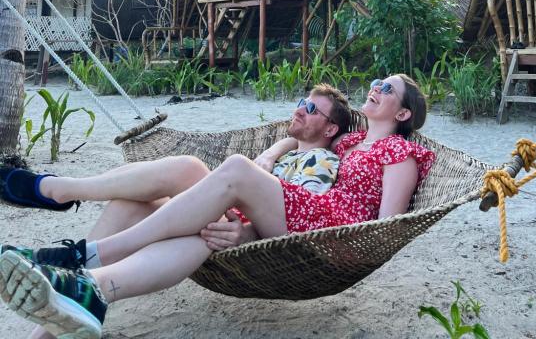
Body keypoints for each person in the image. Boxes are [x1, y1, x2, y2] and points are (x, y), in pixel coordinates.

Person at [0, 75, 435, 339]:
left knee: (235, 170)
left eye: (388, 89)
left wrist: (265, 210)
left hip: (327, 230)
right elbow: (303, 137)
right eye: (378, 83)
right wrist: (272, 153)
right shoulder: (354, 138)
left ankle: (80, 249)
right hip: (294, 211)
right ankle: (82, 289)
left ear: (402, 114)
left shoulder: (401, 153)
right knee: (173, 195)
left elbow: (386, 227)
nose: (376, 89)